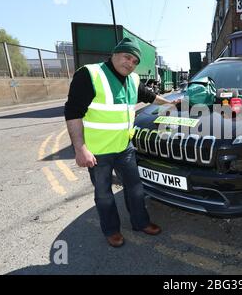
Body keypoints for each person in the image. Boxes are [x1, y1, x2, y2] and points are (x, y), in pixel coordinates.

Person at [64, 37, 180, 247]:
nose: (130, 63)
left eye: (135, 61)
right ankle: (111, 231)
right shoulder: (90, 74)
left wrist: (170, 104)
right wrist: (80, 148)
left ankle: (141, 222)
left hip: (124, 148)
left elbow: (150, 97)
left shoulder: (133, 80)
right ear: (115, 53)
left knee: (135, 189)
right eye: (127, 57)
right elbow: (72, 112)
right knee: (104, 195)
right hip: (98, 152)